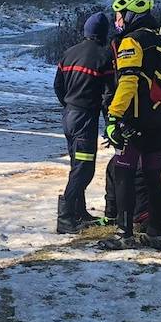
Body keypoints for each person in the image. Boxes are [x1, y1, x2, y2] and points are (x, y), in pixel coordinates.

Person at [103, 0, 161, 248]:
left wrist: (113, 116)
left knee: (123, 174)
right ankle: (155, 233)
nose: (117, 20)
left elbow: (127, 83)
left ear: (131, 14)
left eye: (119, 14)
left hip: (135, 121)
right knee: (153, 177)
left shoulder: (132, 42)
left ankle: (124, 233)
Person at [53, 12, 114, 233]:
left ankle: (79, 211)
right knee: (84, 169)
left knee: (76, 165)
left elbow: (58, 86)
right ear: (104, 33)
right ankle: (65, 218)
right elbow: (108, 94)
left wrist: (69, 104)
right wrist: (111, 122)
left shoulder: (69, 53)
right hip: (86, 118)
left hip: (69, 115)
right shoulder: (104, 57)